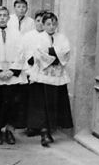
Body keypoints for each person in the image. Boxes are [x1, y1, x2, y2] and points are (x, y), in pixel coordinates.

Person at [25, 12, 73, 147]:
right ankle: (44, 131)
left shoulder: (62, 37)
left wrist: (52, 52)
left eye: (53, 24)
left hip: (57, 76)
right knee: (42, 104)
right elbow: (39, 53)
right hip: (42, 76)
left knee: (54, 103)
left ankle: (50, 129)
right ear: (43, 25)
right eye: (48, 24)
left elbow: (65, 52)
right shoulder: (39, 38)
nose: (51, 27)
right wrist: (55, 53)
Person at [0, 6, 27, 145]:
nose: (2, 18)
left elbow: (21, 53)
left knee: (12, 104)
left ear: (9, 18)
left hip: (12, 75)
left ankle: (9, 131)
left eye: (4, 15)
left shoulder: (16, 34)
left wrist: (12, 71)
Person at [20, 9, 48, 137]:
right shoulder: (27, 36)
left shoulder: (49, 36)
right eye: (38, 21)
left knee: (42, 100)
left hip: (44, 71)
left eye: (43, 21)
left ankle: (43, 126)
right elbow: (22, 52)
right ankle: (31, 125)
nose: (40, 24)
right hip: (30, 69)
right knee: (31, 100)